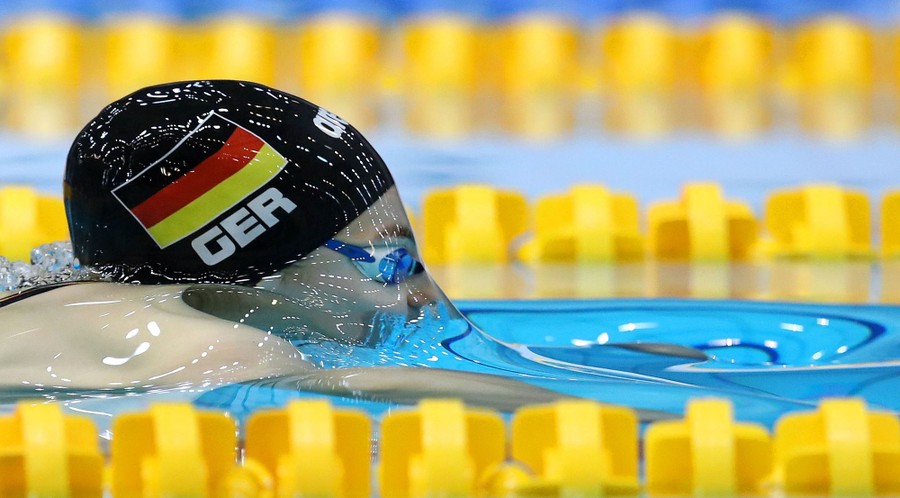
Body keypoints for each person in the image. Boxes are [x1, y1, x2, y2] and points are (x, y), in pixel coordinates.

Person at [0, 80, 580, 423]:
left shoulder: (49, 304)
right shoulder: (216, 353)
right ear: (247, 275)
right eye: (391, 265)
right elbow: (362, 392)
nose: (421, 295)